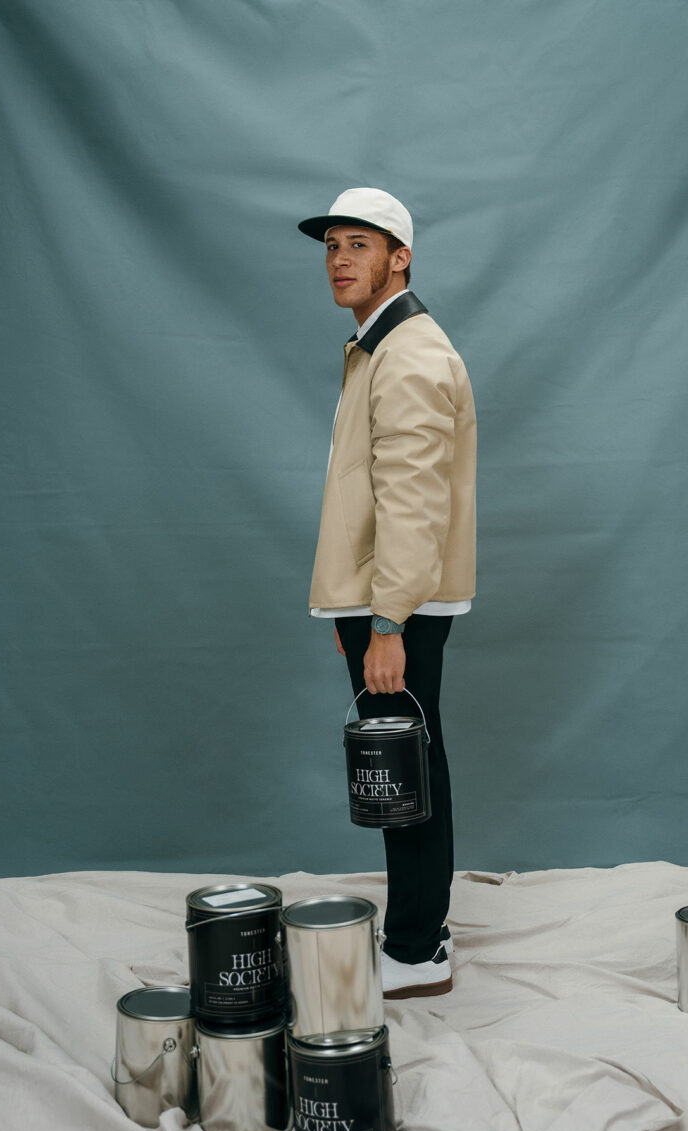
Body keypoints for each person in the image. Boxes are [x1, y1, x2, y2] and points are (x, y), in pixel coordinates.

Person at [298, 187, 477, 998]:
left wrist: (386, 620)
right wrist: (358, 609)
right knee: (405, 763)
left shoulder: (409, 354)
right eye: (332, 244)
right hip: (379, 600)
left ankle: (415, 948)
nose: (340, 258)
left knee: (403, 772)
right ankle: (418, 932)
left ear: (399, 256)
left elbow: (413, 500)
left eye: (359, 244)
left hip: (396, 606)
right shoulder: (378, 346)